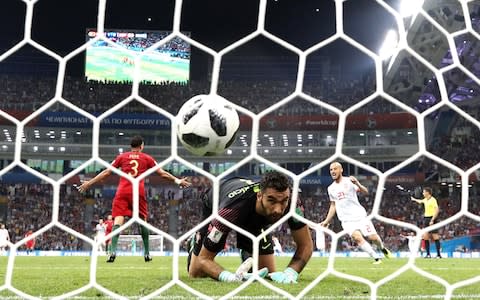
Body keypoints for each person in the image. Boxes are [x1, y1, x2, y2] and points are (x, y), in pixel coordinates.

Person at [78, 135, 191, 263]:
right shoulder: (147, 158)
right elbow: (162, 173)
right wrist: (178, 180)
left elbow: (107, 172)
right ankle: (147, 253)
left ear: (131, 146)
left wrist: (90, 183)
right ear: (141, 146)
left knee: (118, 221)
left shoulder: (122, 157)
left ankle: (113, 251)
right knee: (142, 221)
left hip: (123, 191)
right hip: (138, 191)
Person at [187, 171, 313, 284]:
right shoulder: (229, 211)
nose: (278, 210)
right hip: (215, 203)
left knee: (268, 273)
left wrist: (291, 273)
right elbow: (204, 259)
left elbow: (306, 245)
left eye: (283, 201)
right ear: (259, 196)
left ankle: (247, 253)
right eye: (271, 200)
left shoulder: (293, 202)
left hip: (257, 219)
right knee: (197, 272)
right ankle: (195, 241)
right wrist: (229, 277)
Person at [320, 161, 392, 264]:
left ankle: (382, 248)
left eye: (335, 169)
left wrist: (357, 183)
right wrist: (327, 221)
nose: (333, 171)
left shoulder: (349, 181)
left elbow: (365, 192)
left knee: (373, 237)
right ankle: (376, 258)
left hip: (360, 216)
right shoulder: (330, 188)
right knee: (357, 238)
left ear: (341, 170)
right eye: (331, 170)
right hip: (346, 220)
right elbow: (333, 205)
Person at [411, 187, 442, 258]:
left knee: (435, 237)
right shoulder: (425, 200)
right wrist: (414, 199)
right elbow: (420, 201)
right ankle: (428, 254)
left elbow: (437, 210)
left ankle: (438, 255)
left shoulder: (433, 200)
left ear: (428, 193)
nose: (423, 193)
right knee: (425, 237)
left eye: (424, 192)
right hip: (426, 219)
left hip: (432, 218)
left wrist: (432, 220)